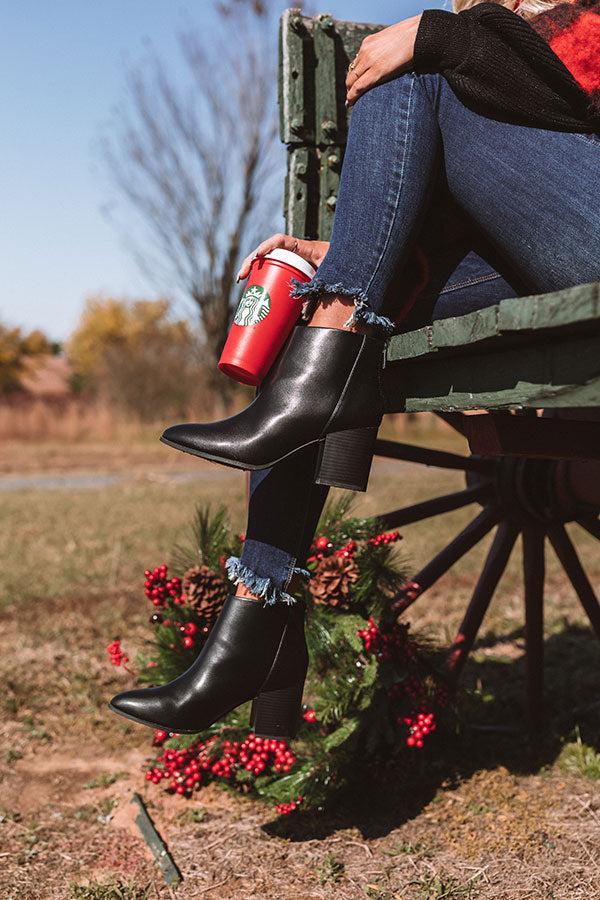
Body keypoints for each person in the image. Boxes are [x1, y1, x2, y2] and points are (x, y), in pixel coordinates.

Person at [110, 0, 600, 740]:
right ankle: (259, 628)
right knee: (306, 314)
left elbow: (564, 104)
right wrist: (343, 256)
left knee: (413, 69)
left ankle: (325, 374)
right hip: (546, 249)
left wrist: (438, 36)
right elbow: (495, 168)